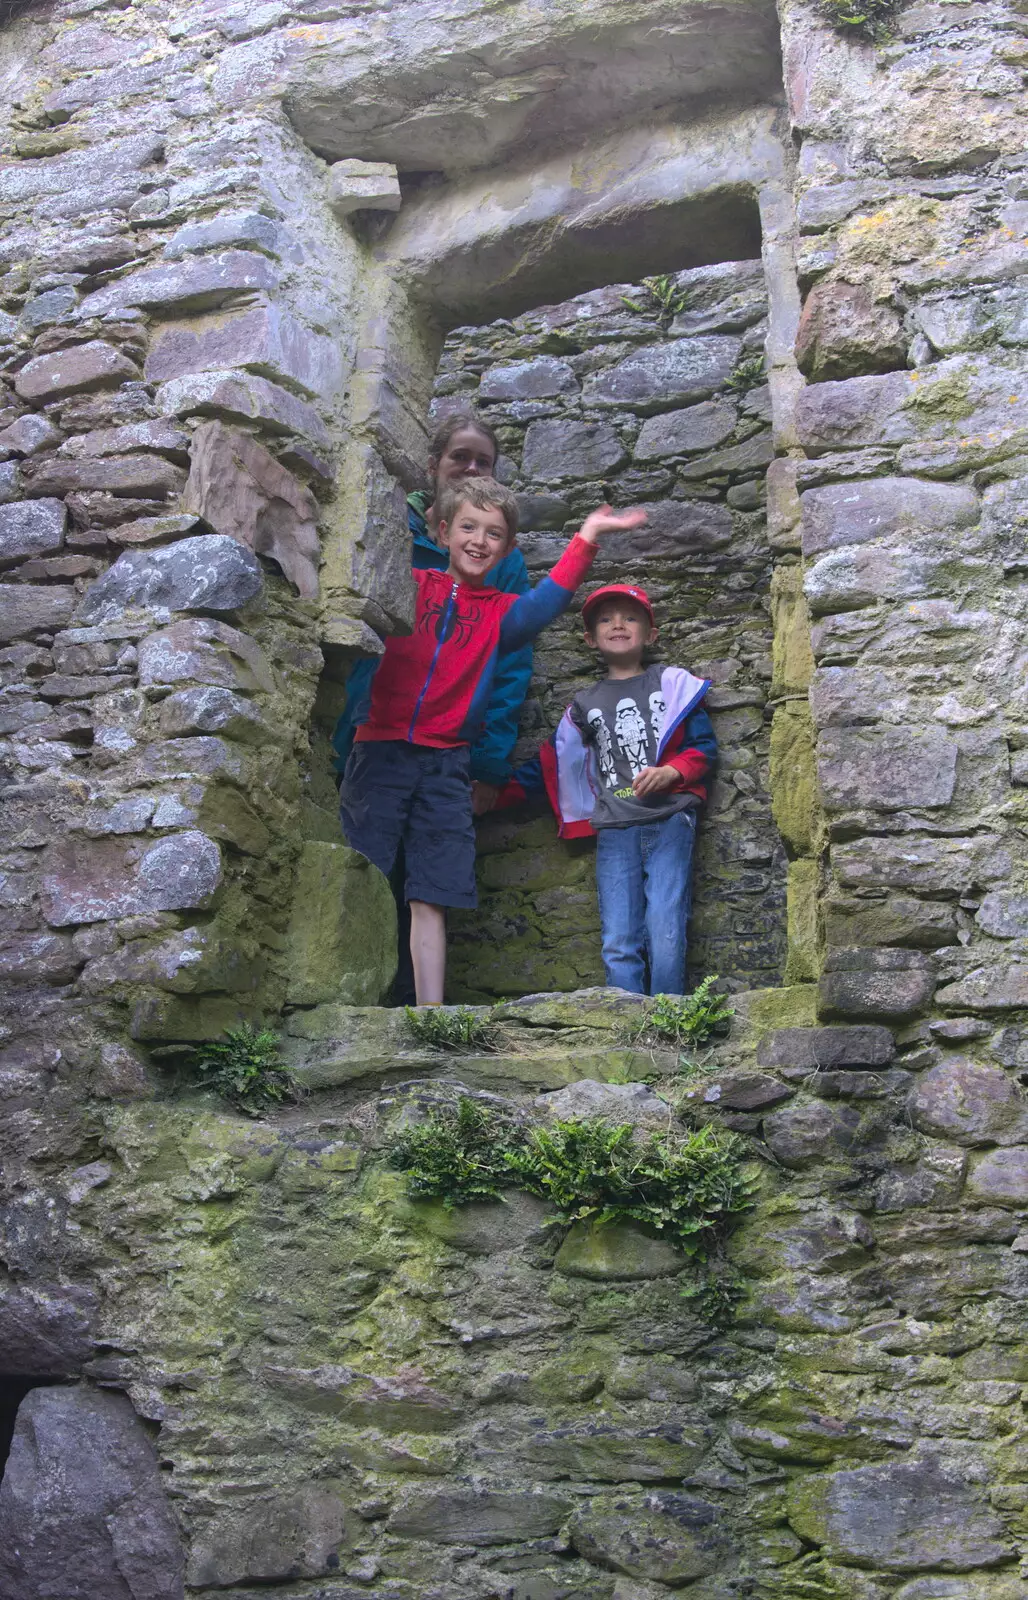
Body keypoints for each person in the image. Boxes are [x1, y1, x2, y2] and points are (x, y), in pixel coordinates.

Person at [338, 479, 647, 1005]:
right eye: (468, 528)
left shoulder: (504, 612)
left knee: (430, 891)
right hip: (378, 751)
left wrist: (588, 537)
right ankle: (345, 1006)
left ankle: (431, 1014)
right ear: (442, 532)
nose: (479, 541)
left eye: (494, 534)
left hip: (446, 762)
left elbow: (548, 600)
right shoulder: (408, 584)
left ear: (507, 549)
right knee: (360, 877)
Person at [496, 583, 717, 996]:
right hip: (616, 828)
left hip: (670, 820)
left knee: (665, 924)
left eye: (630, 617)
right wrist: (497, 794)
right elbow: (554, 765)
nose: (618, 624)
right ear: (589, 639)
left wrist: (671, 772)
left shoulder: (672, 687)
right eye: (605, 619)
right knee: (619, 936)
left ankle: (670, 1018)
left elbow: (703, 749)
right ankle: (627, 1023)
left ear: (651, 634)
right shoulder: (584, 703)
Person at [332, 411, 532, 812]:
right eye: (460, 456)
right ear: (433, 465)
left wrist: (488, 763)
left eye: (484, 461)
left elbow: (511, 663)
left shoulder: (504, 563)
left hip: (447, 750)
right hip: (360, 727)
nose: (471, 467)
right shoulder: (391, 527)